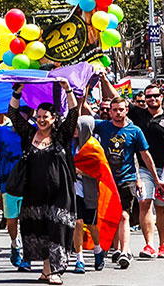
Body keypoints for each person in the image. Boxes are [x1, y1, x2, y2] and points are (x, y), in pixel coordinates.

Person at [8, 79, 77, 285]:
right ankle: (46, 269)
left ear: (54, 118)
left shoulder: (61, 135)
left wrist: (68, 90)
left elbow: (73, 115)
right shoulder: (29, 134)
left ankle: (55, 271)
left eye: (45, 117)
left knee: (57, 229)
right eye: (38, 117)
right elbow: (13, 115)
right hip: (34, 193)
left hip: (60, 193)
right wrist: (17, 93)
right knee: (40, 230)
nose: (41, 120)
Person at [103, 82, 164, 259]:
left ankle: (163, 245)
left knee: (161, 206)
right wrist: (103, 78)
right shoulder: (138, 114)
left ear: (161, 97)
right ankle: (149, 245)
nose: (152, 99)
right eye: (148, 96)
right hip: (144, 169)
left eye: (155, 96)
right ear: (145, 99)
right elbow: (116, 96)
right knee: (145, 202)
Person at [92, 97, 161, 269]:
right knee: (110, 216)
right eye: (114, 110)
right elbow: (83, 114)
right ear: (110, 111)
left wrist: (156, 179)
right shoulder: (103, 126)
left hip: (127, 179)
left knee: (124, 215)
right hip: (107, 179)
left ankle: (124, 252)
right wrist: (83, 88)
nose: (117, 113)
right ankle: (115, 247)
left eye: (121, 109)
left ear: (126, 110)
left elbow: (145, 156)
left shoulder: (135, 131)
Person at [0, 106, 33, 272]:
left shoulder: (32, 132)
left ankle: (26, 255)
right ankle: (15, 244)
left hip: (29, 184)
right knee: (12, 220)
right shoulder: (0, 132)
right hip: (8, 184)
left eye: (23, 118)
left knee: (27, 220)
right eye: (16, 117)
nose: (18, 121)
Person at [71, 117, 104, 274]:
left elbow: (100, 172)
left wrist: (80, 172)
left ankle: (98, 250)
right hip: (74, 192)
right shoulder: (71, 146)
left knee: (91, 225)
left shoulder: (94, 148)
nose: (74, 130)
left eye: (78, 127)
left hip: (89, 193)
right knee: (77, 223)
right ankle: (80, 259)